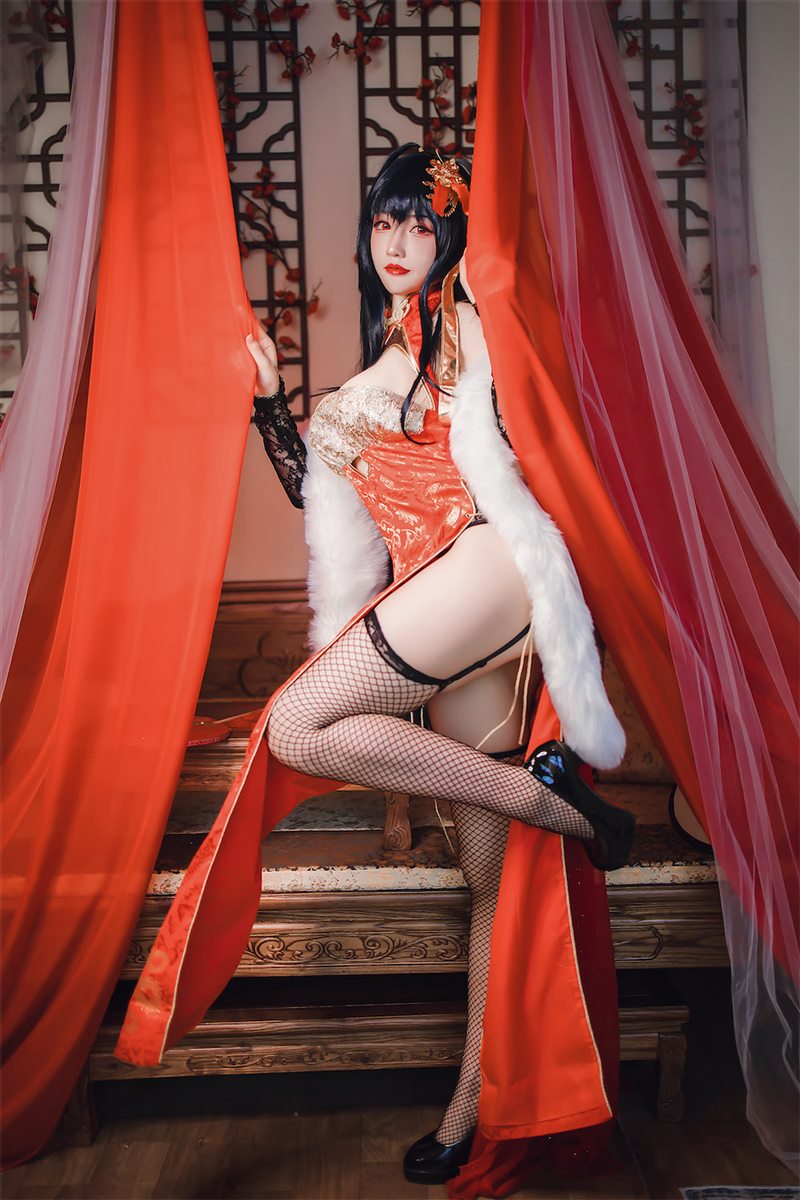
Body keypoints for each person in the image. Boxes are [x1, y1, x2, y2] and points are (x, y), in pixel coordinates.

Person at [245, 143, 633, 1186]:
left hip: (488, 563)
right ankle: (470, 1109)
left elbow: (535, 418)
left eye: (422, 224)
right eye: (385, 223)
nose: (400, 242)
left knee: (295, 725)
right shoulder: (373, 362)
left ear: (451, 240)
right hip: (444, 611)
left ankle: (560, 805)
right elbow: (321, 491)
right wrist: (270, 401)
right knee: (488, 883)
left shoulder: (467, 326)